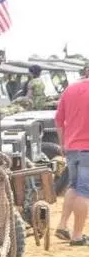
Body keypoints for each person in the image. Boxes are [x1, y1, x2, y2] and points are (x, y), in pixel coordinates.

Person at [53, 73, 89, 246]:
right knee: (84, 191)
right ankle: (77, 236)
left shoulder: (71, 89)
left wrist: (63, 143)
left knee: (73, 186)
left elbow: (58, 120)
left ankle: (62, 225)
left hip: (71, 147)